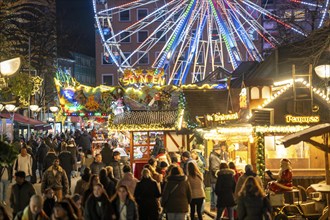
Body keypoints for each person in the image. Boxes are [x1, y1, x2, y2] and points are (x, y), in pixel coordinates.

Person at [209, 144, 222, 211]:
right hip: (215, 178)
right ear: (216, 150)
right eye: (219, 150)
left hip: (212, 178)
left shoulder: (213, 156)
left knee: (213, 193)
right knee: (216, 192)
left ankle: (213, 206)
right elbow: (215, 168)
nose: (220, 151)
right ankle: (216, 206)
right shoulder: (214, 157)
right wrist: (220, 174)